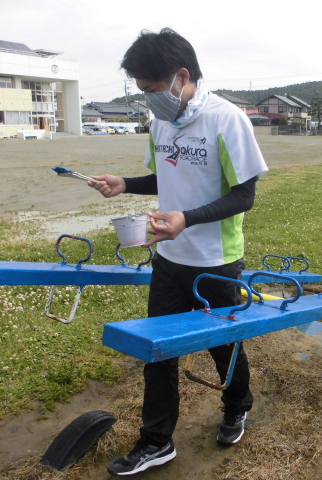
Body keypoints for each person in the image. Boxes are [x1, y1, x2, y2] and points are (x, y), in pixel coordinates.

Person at [88, 28, 268, 476]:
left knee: (223, 345)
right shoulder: (161, 122)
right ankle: (157, 441)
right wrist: (125, 184)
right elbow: (166, 178)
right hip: (168, 259)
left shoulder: (228, 120)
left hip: (216, 262)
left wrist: (187, 218)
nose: (148, 99)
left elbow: (244, 195)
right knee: (158, 351)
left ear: (180, 76)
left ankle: (236, 406)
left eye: (150, 89)